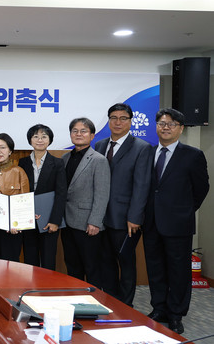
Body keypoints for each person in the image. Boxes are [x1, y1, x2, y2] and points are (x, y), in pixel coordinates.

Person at [144, 108, 209, 334]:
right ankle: (159, 308)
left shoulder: (193, 155)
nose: (166, 127)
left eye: (171, 124)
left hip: (179, 224)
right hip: (151, 222)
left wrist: (184, 211)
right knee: (155, 269)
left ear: (181, 129)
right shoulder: (147, 153)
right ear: (156, 126)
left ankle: (176, 314)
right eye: (162, 123)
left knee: (179, 271)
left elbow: (201, 188)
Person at [93, 103, 152, 306]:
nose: (118, 122)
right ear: (108, 120)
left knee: (126, 263)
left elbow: (142, 185)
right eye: (114, 118)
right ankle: (112, 301)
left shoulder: (141, 147)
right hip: (101, 217)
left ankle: (126, 305)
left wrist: (135, 217)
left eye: (123, 118)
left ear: (130, 121)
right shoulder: (100, 145)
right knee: (105, 261)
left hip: (125, 218)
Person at [60, 117, 110, 288]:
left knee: (92, 266)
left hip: (88, 224)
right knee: (72, 265)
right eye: (75, 131)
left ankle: (95, 300)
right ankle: (76, 297)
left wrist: (95, 222)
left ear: (92, 135)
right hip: (67, 222)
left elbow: (102, 194)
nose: (78, 134)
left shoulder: (98, 160)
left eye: (83, 131)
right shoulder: (65, 158)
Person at [18, 124, 67, 270]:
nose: (40, 140)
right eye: (36, 137)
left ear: (49, 140)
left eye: (44, 137)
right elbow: (20, 193)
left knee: (48, 261)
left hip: (48, 220)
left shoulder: (57, 163)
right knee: (30, 261)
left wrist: (55, 221)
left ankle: (48, 286)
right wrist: (26, 214)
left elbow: (61, 193)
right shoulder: (23, 163)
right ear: (30, 140)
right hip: (28, 220)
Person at [0, 133, 29, 262]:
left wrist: (17, 223)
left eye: (2, 147)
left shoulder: (19, 171)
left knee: (10, 263)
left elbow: (24, 201)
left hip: (12, 228)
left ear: (10, 151)